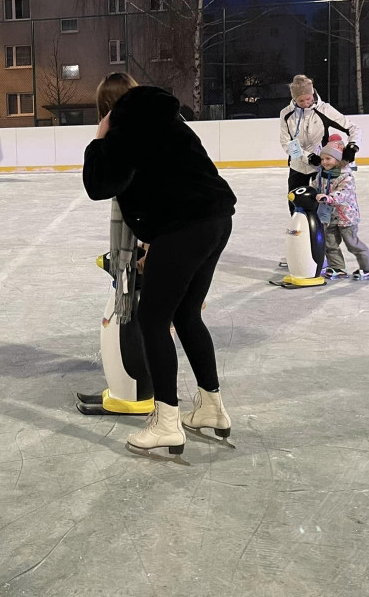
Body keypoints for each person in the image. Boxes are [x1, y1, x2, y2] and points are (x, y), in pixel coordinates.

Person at [83, 73, 237, 456]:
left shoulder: (125, 128)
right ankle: (211, 408)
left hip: (184, 228)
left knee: (152, 320)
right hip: (216, 220)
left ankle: (166, 421)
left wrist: (99, 139)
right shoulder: (168, 118)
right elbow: (168, 180)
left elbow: (98, 186)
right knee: (186, 315)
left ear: (107, 107)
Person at [278, 74, 362, 266]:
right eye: (301, 100)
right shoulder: (286, 114)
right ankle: (299, 249)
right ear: (294, 99)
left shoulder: (325, 109)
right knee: (296, 208)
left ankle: (320, 253)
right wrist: (307, 157)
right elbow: (287, 142)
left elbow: (353, 128)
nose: (306, 103)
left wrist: (353, 146)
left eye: (309, 98)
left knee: (321, 210)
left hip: (321, 169)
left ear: (313, 93)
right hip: (297, 167)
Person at [316, 136, 369, 281]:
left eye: (328, 159)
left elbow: (343, 193)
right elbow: (315, 186)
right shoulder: (322, 174)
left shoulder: (346, 177)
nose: (324, 162)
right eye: (323, 159)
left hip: (346, 218)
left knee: (352, 244)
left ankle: (368, 268)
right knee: (329, 243)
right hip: (330, 217)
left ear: (337, 160)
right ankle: (337, 268)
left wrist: (329, 198)